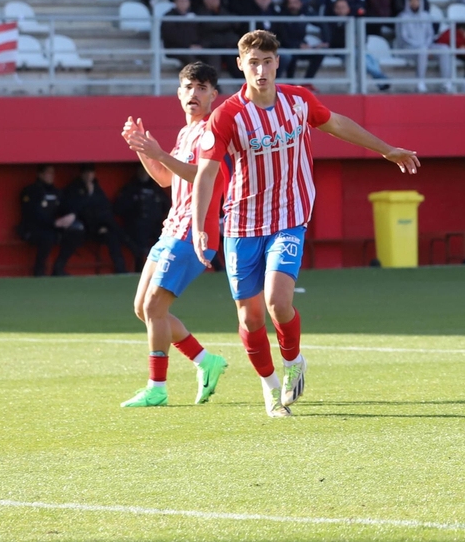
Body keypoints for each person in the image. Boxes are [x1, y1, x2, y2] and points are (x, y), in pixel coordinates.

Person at [189, 30, 418, 415]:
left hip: (289, 218)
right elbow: (206, 174)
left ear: (277, 62)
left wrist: (386, 150)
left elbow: (338, 124)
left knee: (278, 303)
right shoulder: (227, 115)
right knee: (250, 317)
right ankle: (269, 386)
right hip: (243, 224)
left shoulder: (298, 101)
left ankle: (293, 361)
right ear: (240, 65)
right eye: (253, 63)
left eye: (267, 61)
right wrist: (200, 225)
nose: (260, 70)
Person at [117, 62, 233, 408]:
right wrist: (143, 149)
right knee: (143, 308)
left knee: (153, 306)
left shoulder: (212, 130)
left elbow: (204, 176)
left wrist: (160, 154)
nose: (193, 94)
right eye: (188, 87)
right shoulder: (186, 133)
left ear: (214, 95)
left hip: (194, 231)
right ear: (179, 93)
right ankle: (204, 361)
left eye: (201, 88)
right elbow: (167, 179)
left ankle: (157, 388)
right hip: (172, 228)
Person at [62, 164, 130, 274]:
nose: (89, 176)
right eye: (86, 173)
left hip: (99, 227)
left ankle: (121, 268)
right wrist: (88, 195)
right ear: (82, 174)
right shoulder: (74, 189)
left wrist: (102, 226)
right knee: (71, 237)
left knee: (113, 236)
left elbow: (105, 207)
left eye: (91, 173)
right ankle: (58, 269)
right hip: (82, 227)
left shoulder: (96, 188)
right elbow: (75, 209)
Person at [18, 165, 83, 276]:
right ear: (40, 175)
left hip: (53, 228)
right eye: (48, 173)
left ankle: (59, 268)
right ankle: (39, 271)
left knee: (77, 230)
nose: (51, 176)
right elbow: (34, 213)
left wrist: (72, 215)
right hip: (33, 229)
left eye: (53, 173)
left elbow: (66, 206)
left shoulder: (57, 192)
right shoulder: (31, 191)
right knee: (47, 236)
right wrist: (53, 223)